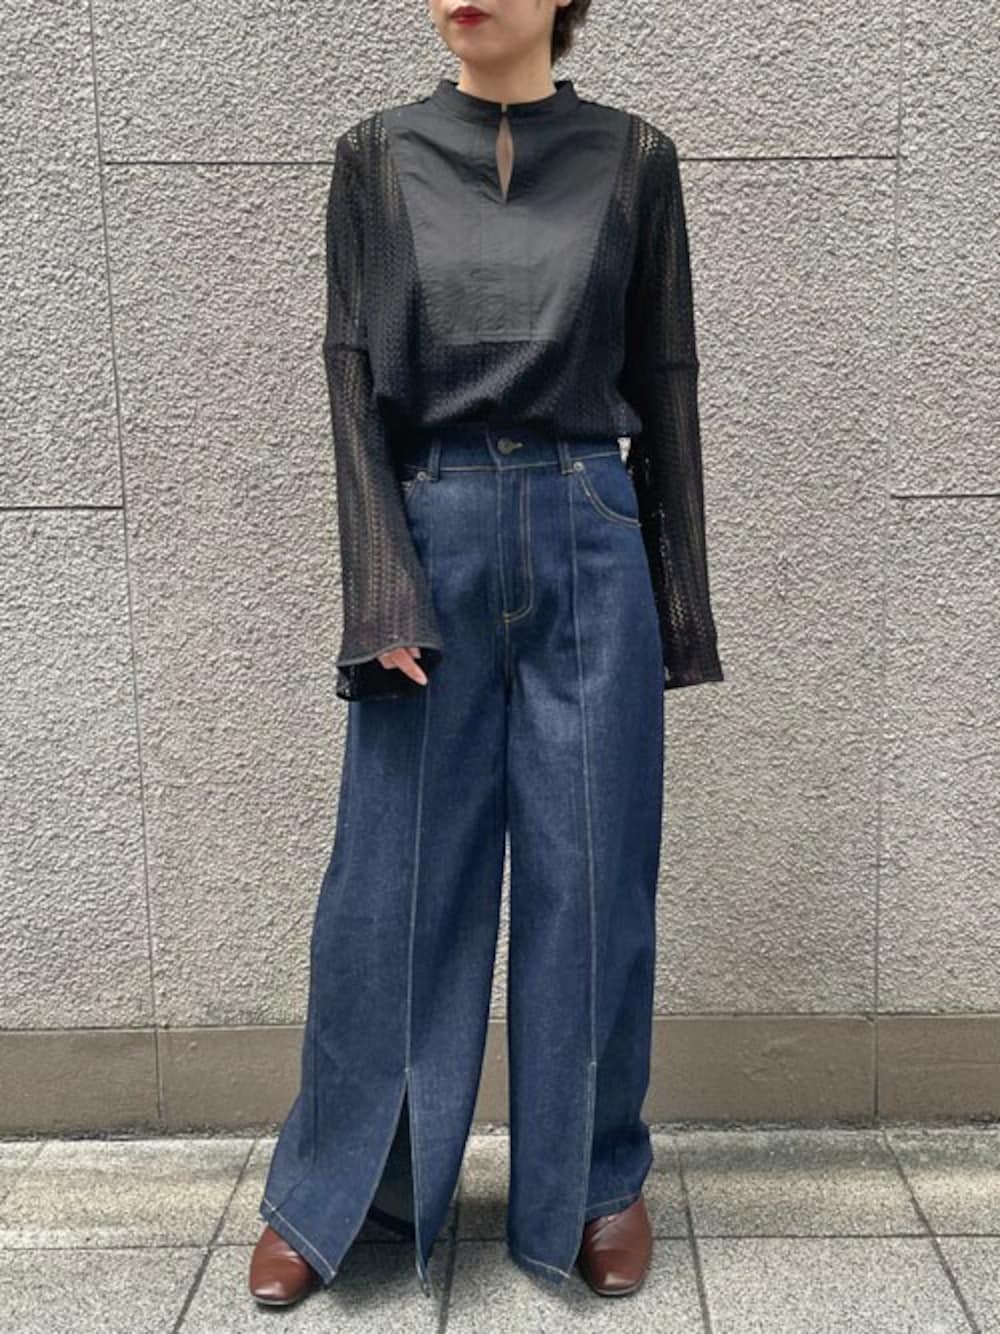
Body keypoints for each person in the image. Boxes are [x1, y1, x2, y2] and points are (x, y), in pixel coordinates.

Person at [249, 0, 724, 1308]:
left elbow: (665, 376)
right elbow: (351, 372)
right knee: (392, 886)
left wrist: (675, 601)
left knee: (594, 880)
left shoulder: (636, 160)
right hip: (435, 531)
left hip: (589, 534)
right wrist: (379, 590)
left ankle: (595, 1183)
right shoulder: (374, 156)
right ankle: (351, 1186)